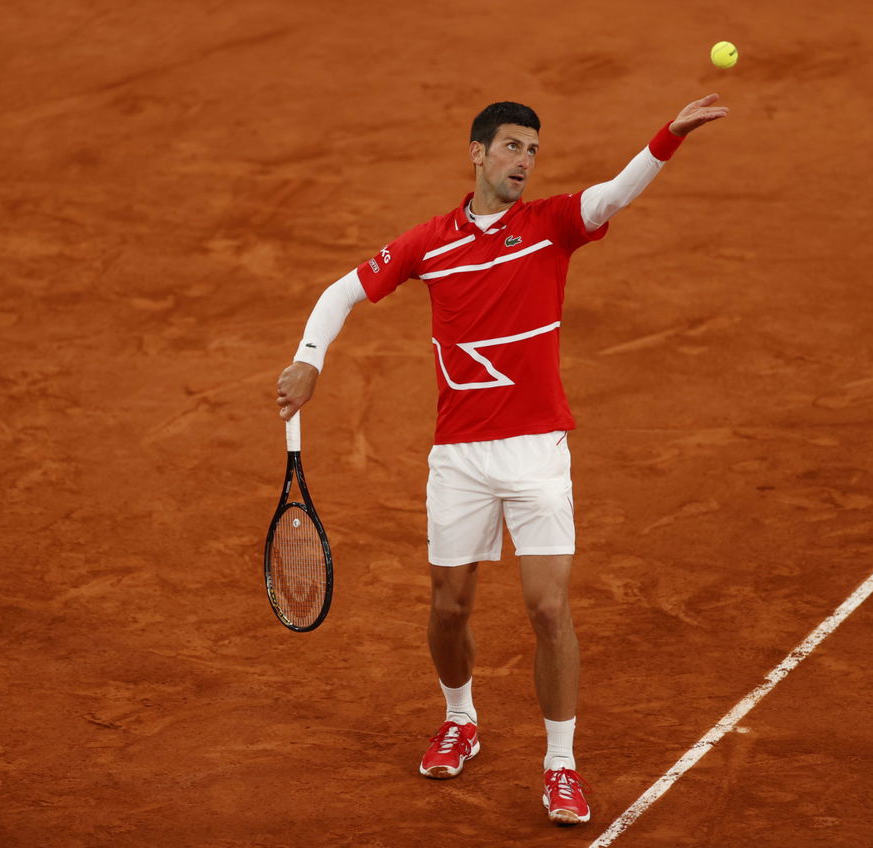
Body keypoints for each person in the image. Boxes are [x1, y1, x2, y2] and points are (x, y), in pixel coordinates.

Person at [275, 94, 728, 825]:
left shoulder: (551, 228)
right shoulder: (430, 243)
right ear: (478, 153)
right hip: (459, 457)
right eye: (513, 147)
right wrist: (308, 361)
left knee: (549, 608)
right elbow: (342, 292)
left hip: (537, 452)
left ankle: (560, 765)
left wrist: (667, 137)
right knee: (448, 608)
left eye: (534, 152)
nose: (525, 162)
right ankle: (460, 717)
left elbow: (615, 193)